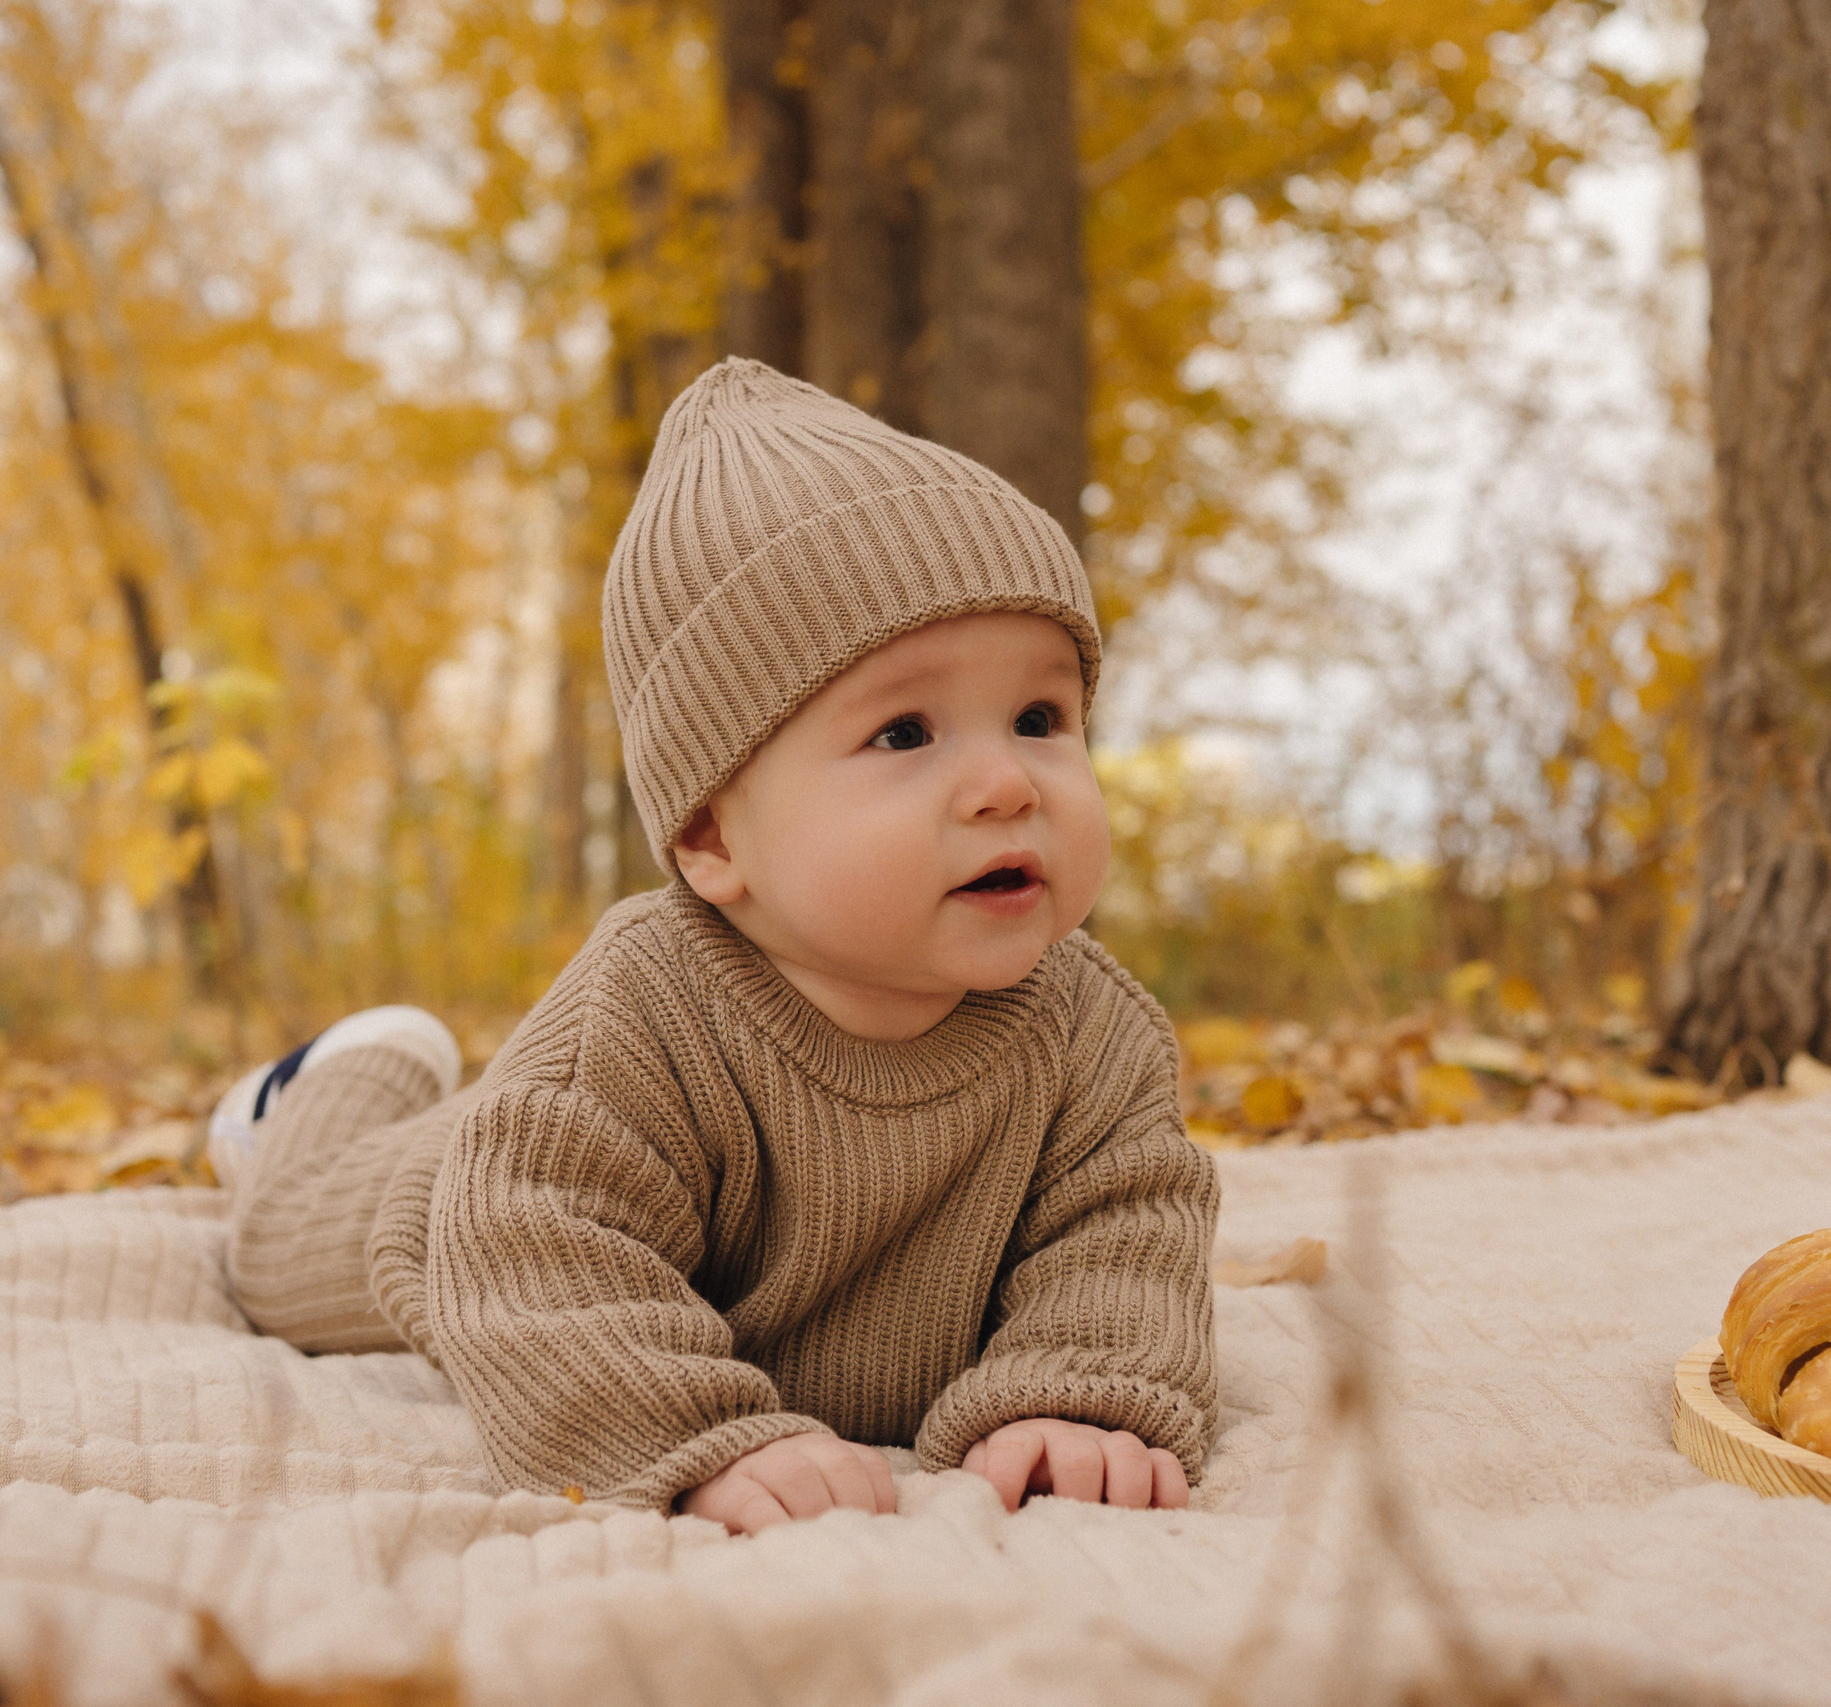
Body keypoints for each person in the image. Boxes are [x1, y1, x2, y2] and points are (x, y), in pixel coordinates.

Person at [211, 358, 1218, 1534]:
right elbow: (539, 1255)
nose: (1006, 783)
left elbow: (1125, 1233)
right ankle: (339, 1081)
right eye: (905, 731)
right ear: (706, 837)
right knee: (271, 1253)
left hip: (568, 1185)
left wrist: (1080, 1398)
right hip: (440, 1210)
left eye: (1041, 718)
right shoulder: (645, 1006)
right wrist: (683, 1432)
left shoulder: (1092, 1030)